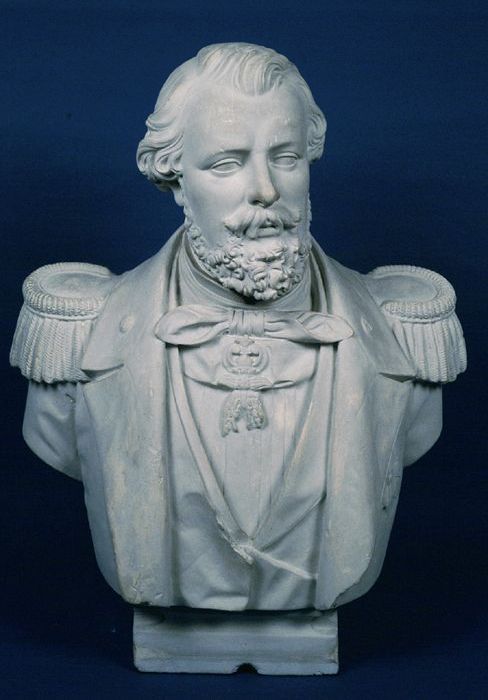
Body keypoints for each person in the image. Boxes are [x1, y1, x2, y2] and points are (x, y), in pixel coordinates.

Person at [11, 42, 465, 624]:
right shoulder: (81, 334)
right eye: (226, 164)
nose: (265, 190)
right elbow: (58, 442)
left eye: (286, 157)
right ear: (176, 179)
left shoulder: (403, 332)